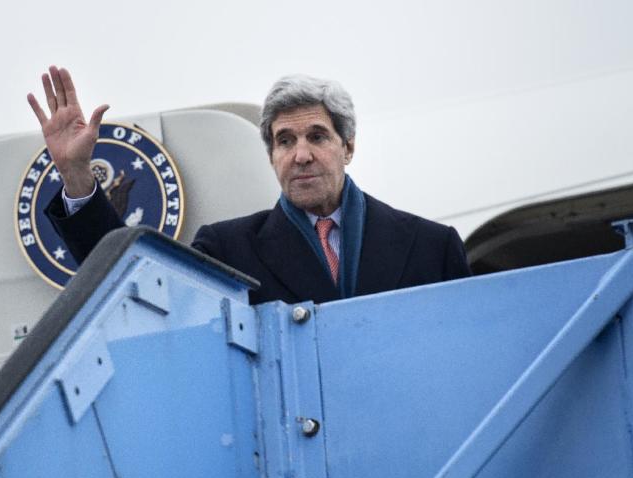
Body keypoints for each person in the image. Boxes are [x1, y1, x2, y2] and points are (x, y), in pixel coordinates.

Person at [28, 66, 472, 305]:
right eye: (285, 141)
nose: (301, 154)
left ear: (348, 147)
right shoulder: (229, 251)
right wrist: (76, 175)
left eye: (317, 136)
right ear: (271, 157)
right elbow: (138, 284)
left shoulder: (432, 248)